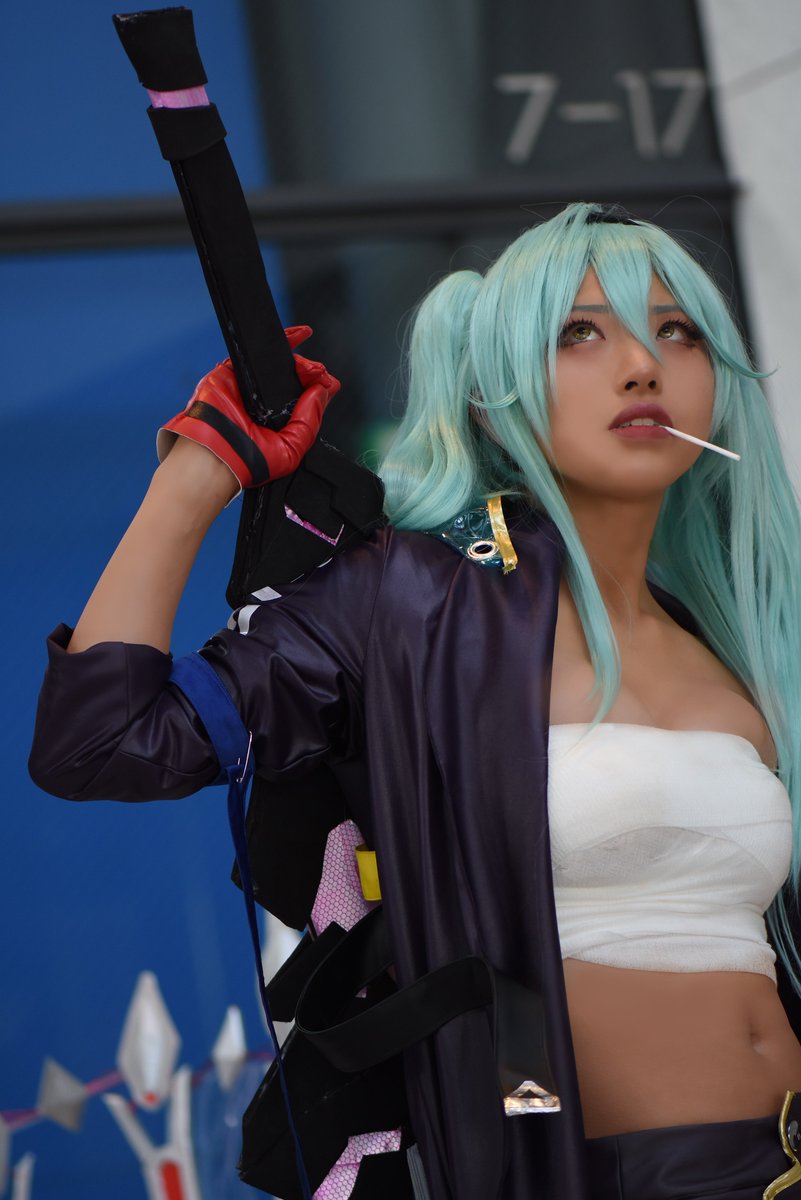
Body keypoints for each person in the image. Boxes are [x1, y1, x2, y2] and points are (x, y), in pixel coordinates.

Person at [29, 202, 801, 1200]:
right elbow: (100, 741)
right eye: (579, 332)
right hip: (577, 1165)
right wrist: (198, 475)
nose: (642, 365)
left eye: (677, 330)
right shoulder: (410, 600)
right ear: (488, 400)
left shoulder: (740, 638)